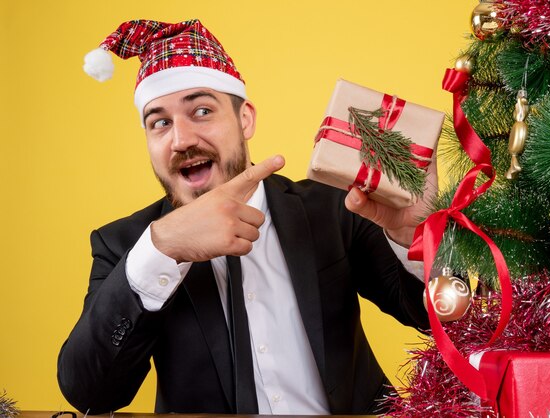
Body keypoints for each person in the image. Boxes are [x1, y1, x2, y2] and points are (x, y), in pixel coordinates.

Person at [57, 19, 432, 415]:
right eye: (160, 122)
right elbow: (90, 394)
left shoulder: (331, 206)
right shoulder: (126, 246)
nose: (181, 139)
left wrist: (416, 238)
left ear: (245, 119)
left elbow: (433, 320)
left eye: (201, 111)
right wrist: (161, 249)